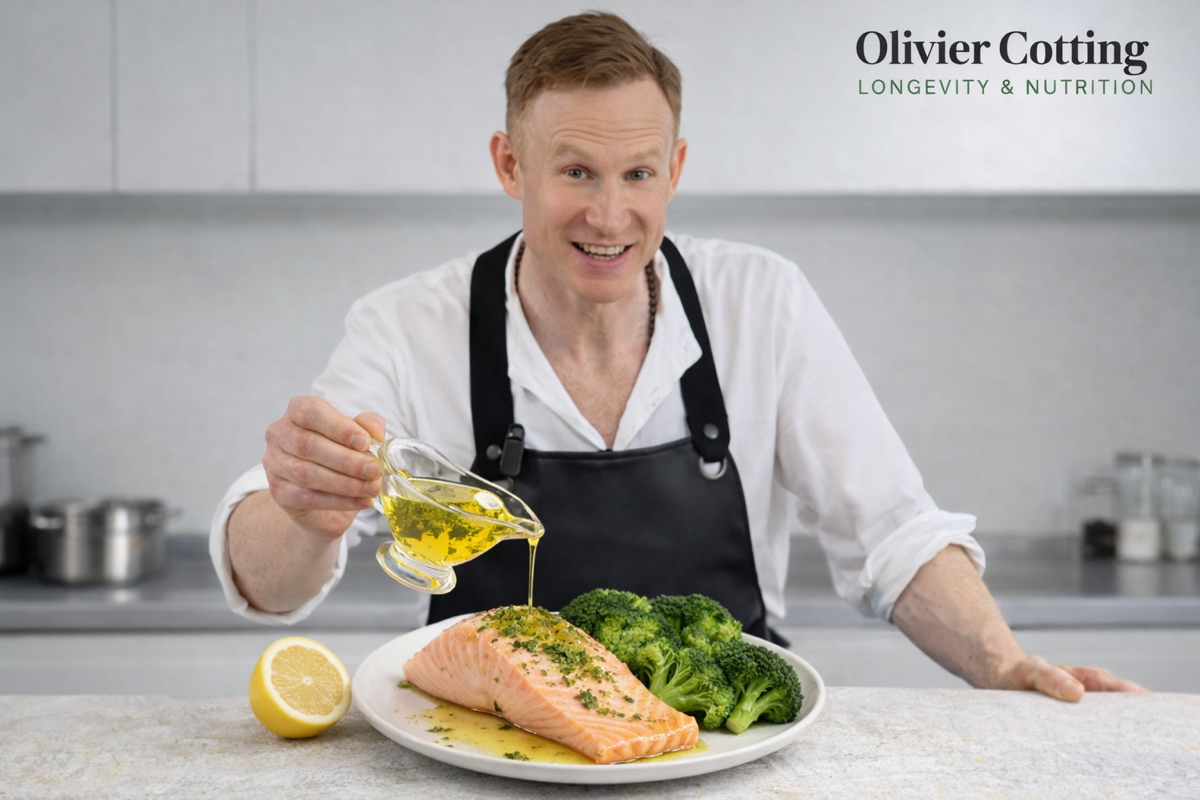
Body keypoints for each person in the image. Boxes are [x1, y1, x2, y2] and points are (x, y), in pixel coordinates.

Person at [212, 12, 1142, 701]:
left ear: (676, 167)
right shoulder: (407, 326)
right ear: (509, 165)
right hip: (487, 754)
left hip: (726, 755)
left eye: (637, 174)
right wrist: (303, 508)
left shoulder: (762, 302)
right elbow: (267, 581)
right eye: (575, 170)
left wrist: (1004, 663)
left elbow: (893, 535)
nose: (609, 216)